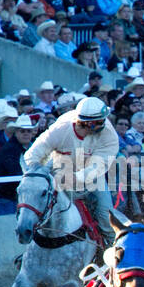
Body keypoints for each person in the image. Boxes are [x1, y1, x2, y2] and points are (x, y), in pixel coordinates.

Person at [23, 96, 121, 246]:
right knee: (45, 210)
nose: (105, 123)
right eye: (100, 121)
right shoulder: (61, 128)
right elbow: (33, 154)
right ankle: (32, 244)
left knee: (105, 213)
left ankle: (111, 247)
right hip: (59, 175)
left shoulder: (109, 134)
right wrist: (40, 173)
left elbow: (99, 165)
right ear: (88, 123)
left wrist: (76, 177)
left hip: (93, 178)